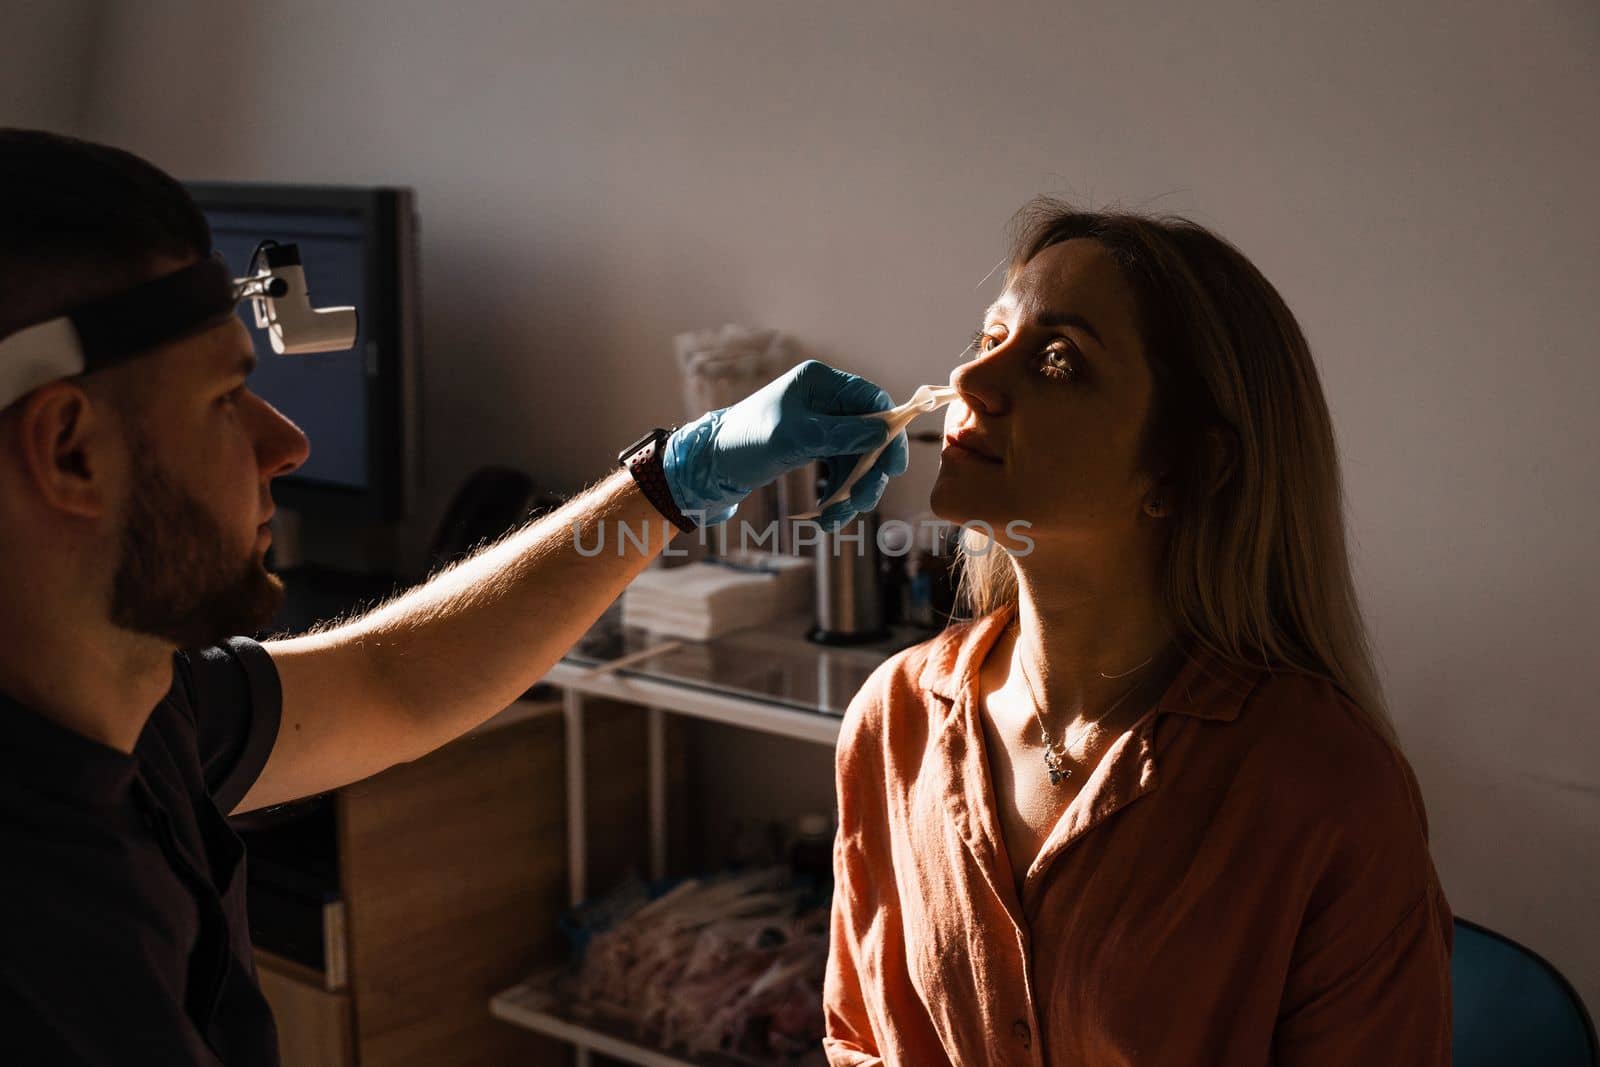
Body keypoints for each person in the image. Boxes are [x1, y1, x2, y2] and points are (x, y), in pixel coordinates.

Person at [0, 129, 908, 1065]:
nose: (286, 444)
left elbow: (396, 680)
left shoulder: (137, 707)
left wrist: (670, 480)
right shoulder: (42, 957)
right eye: (227, 397)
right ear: (70, 449)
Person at [824, 201, 1453, 1065]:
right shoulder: (893, 718)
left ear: (1185, 468)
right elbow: (860, 1038)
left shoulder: (1322, 787)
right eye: (987, 337)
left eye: (1056, 361)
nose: (971, 382)